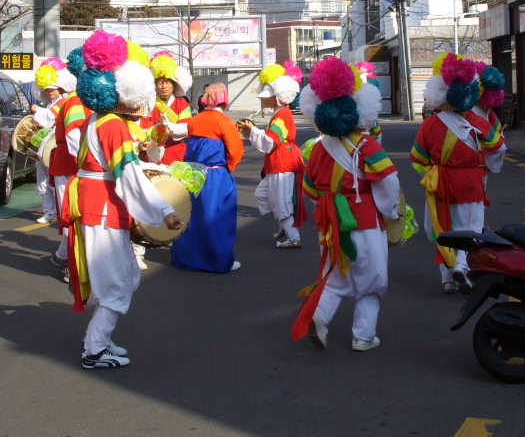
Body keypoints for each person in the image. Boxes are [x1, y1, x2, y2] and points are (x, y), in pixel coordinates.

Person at [59, 30, 183, 370]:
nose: (142, 104)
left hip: (96, 205)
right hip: (102, 209)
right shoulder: (113, 126)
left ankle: (99, 341)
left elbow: (122, 168)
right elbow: (128, 175)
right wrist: (164, 211)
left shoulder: (98, 120)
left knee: (123, 277)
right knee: (116, 282)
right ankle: (94, 350)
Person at [291, 57, 401, 352]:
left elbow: (310, 190)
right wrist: (391, 214)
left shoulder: (318, 149)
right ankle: (363, 336)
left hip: (330, 223)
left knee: (337, 275)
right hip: (365, 220)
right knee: (373, 280)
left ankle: (320, 316)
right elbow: (389, 183)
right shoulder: (368, 146)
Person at [410, 54, 505, 295]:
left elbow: (418, 157)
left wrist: (433, 169)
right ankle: (462, 266)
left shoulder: (430, 124)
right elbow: (497, 145)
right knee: (470, 228)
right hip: (471, 181)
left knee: (443, 227)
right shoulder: (475, 120)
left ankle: (448, 279)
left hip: (440, 181)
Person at [170, 83, 244, 273]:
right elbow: (235, 150)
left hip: (193, 174)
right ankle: (218, 260)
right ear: (223, 100)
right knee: (218, 217)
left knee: (192, 216)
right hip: (216, 175)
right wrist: (230, 167)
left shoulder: (195, 120)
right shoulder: (224, 121)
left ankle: (188, 258)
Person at [238, 60, 306, 248]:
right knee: (263, 195)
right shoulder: (280, 113)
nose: (265, 99)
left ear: (277, 95)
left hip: (282, 163)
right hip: (278, 162)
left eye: (269, 96)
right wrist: (253, 131)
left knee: (280, 200)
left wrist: (252, 130)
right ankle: (285, 224)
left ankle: (293, 236)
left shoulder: (282, 114)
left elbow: (270, 142)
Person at [46, 51, 87, 279]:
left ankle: (63, 256)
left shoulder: (88, 102)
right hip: (71, 167)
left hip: (81, 168)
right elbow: (74, 140)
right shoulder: (76, 102)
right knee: (74, 216)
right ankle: (73, 266)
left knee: (81, 218)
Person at [30, 57, 75, 225]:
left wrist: (37, 110)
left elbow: (51, 118)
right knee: (42, 182)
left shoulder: (62, 102)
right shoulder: (49, 103)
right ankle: (49, 211)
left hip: (55, 147)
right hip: (44, 146)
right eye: (47, 89)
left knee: (54, 183)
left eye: (53, 89)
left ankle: (58, 211)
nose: (50, 92)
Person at [141, 51, 193, 164]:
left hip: (176, 152)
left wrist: (166, 128)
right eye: (160, 83)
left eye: (168, 83)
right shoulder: (150, 104)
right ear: (155, 85)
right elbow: (144, 126)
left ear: (174, 86)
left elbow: (186, 128)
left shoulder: (182, 104)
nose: (164, 86)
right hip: (154, 153)